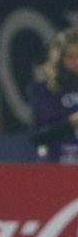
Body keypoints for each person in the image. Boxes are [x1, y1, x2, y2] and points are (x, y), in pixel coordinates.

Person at [28, 28, 78, 164]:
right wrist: (71, 122)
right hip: (58, 167)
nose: (76, 62)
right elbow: (37, 136)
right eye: (70, 57)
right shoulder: (46, 88)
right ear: (59, 58)